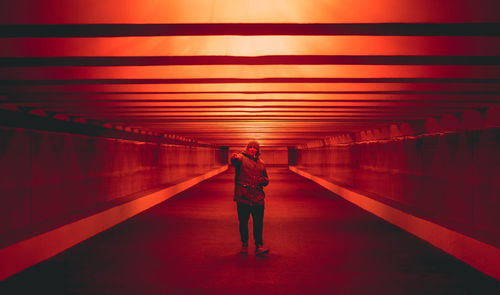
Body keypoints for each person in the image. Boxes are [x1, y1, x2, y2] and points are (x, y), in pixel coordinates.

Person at [230, 140, 270, 255]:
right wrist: (234, 158)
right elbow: (235, 161)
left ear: (258, 150)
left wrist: (264, 181)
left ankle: (259, 246)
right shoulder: (241, 158)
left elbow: (266, 179)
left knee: (258, 223)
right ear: (247, 148)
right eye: (250, 147)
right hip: (243, 196)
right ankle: (244, 245)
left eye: (255, 147)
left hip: (258, 197)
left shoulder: (261, 163)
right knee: (243, 222)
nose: (252, 149)